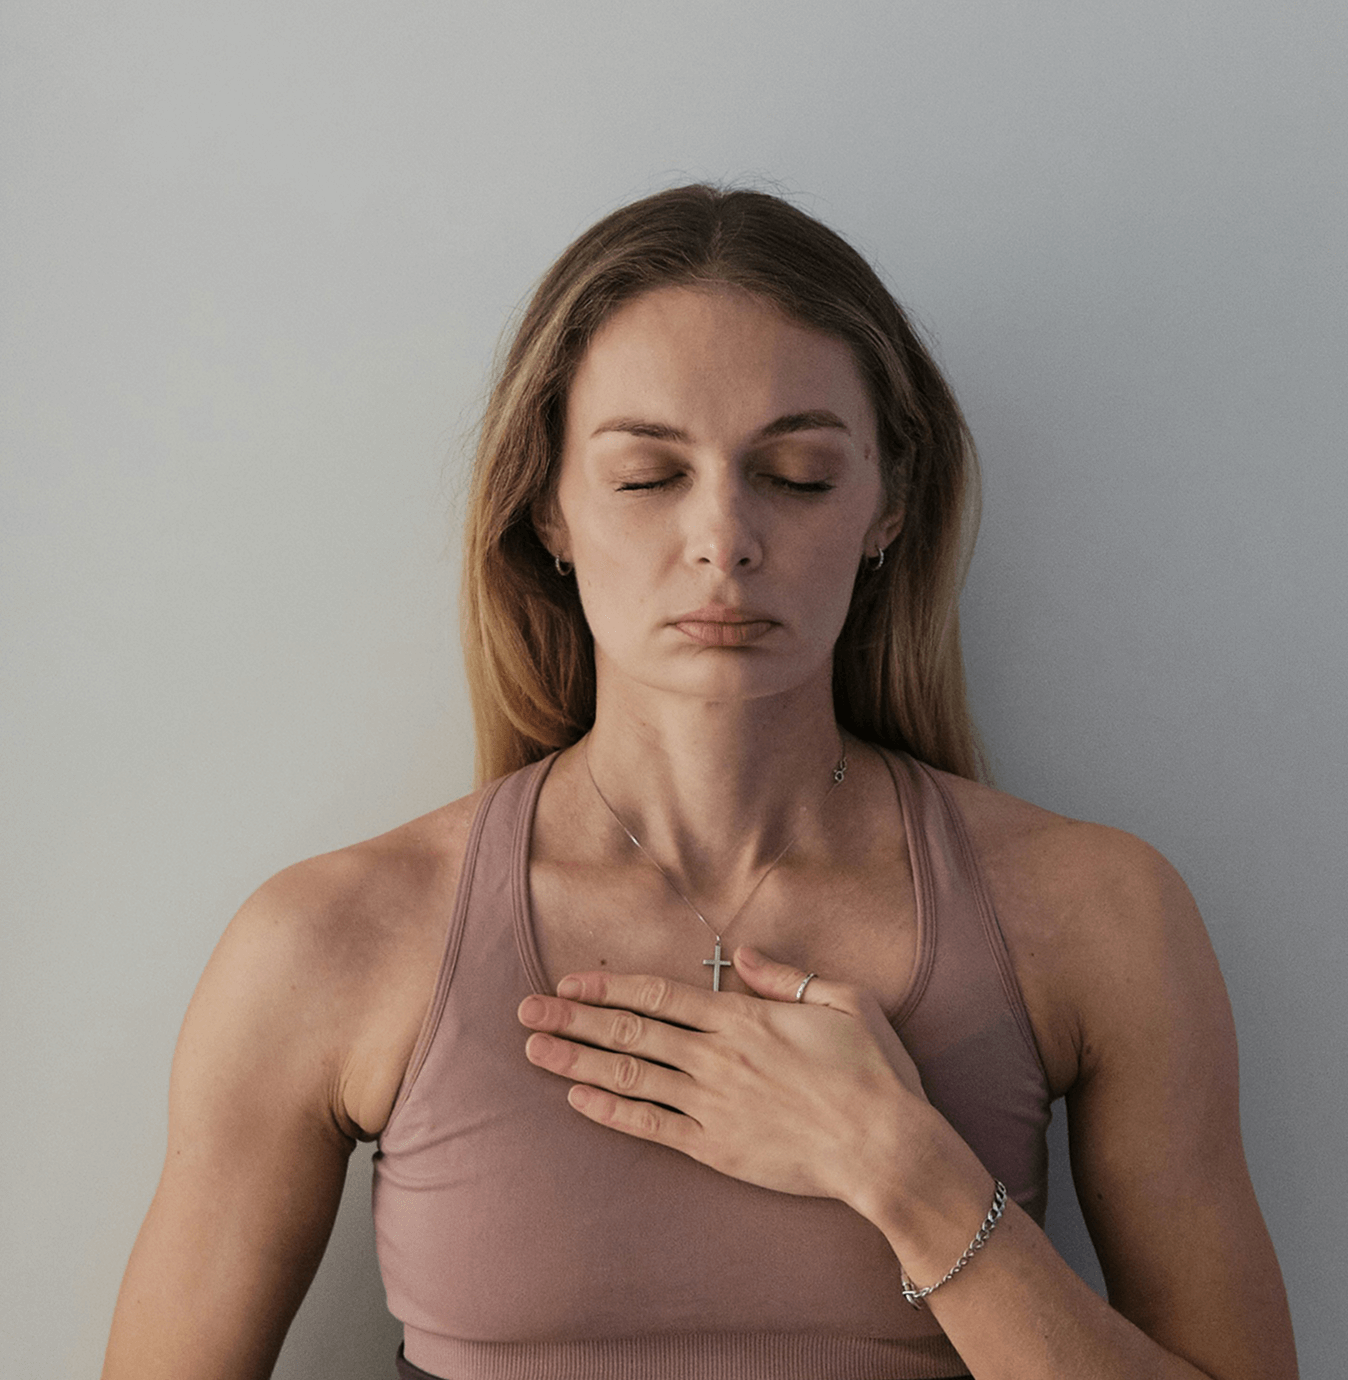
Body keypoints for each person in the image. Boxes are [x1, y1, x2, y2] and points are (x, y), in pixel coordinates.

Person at [101, 185, 1298, 1380]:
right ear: (549, 511)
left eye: (797, 474)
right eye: (645, 478)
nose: (723, 538)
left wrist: (906, 1173)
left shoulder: (1099, 915)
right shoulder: (329, 942)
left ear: (888, 508)